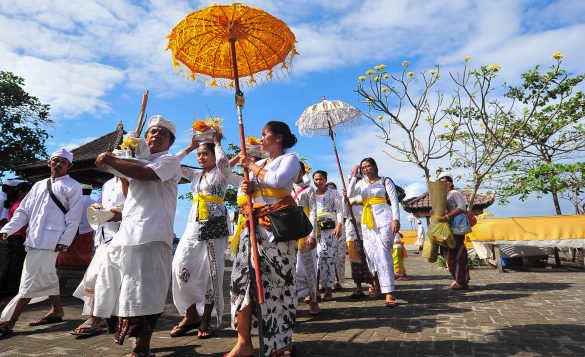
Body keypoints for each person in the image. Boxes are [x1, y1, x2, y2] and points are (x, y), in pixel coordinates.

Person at [93, 115, 181, 357]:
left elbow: (146, 174)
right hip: (127, 234)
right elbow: (130, 188)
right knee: (119, 288)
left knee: (145, 291)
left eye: (163, 133)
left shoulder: (169, 160)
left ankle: (142, 348)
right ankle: (127, 338)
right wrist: (117, 163)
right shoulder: (135, 160)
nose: (156, 135)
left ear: (170, 142)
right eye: (152, 131)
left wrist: (112, 159)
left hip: (151, 234)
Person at [227, 121, 300, 357]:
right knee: (241, 283)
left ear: (278, 138)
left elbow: (277, 181)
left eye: (264, 134)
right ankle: (243, 342)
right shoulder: (257, 164)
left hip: (276, 232)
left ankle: (280, 344)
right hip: (251, 229)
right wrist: (246, 187)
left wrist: (250, 166)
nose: (260, 138)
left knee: (277, 286)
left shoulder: (290, 160)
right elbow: (240, 195)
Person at [0, 148, 82, 336]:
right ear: (49, 162)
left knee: (27, 282)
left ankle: (8, 320)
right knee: (48, 276)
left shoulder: (72, 186)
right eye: (56, 160)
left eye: (63, 161)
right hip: (34, 238)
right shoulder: (38, 185)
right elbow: (23, 212)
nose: (58, 163)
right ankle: (57, 310)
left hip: (52, 241)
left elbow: (74, 217)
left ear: (69, 165)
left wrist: (65, 240)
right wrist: (7, 229)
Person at [171, 131, 230, 339]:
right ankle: (190, 314)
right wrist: (188, 147)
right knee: (179, 265)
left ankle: (206, 318)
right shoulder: (196, 175)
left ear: (214, 155)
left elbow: (223, 161)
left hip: (214, 225)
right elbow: (170, 165)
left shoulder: (222, 172)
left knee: (211, 271)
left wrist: (217, 142)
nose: (200, 157)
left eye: (205, 153)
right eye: (198, 154)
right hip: (193, 225)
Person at [71, 177, 126, 336]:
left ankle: (96, 318)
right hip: (103, 236)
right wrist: (97, 206)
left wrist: (118, 214)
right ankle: (101, 317)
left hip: (120, 236)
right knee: (94, 277)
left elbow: (135, 206)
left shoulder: (131, 179)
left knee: (103, 277)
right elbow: (102, 204)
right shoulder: (107, 184)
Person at [347, 158, 400, 307]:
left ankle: (389, 293)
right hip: (367, 221)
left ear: (375, 166)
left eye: (368, 166)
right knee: (371, 255)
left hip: (384, 218)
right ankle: (376, 286)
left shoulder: (385, 180)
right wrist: (354, 174)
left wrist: (396, 219)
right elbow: (350, 194)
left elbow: (394, 201)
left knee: (383, 253)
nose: (366, 169)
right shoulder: (360, 183)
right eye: (363, 167)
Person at [0, 181, 32, 310]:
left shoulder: (14, 204)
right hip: (16, 240)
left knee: (7, 267)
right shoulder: (20, 205)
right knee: (13, 268)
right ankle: (8, 296)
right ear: (22, 192)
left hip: (13, 239)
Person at [293, 162, 320, 316]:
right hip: (290, 231)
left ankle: (314, 300)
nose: (296, 174)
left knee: (309, 267)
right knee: (293, 268)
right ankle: (292, 301)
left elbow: (314, 212)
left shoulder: (309, 189)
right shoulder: (285, 187)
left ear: (303, 172)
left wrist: (312, 235)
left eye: (299, 171)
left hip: (305, 230)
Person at [437, 172, 470, 290]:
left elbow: (462, 208)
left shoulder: (454, 193)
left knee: (455, 252)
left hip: (458, 225)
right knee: (452, 252)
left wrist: (447, 216)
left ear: (449, 183)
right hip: (450, 226)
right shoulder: (444, 196)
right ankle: (461, 279)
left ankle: (461, 281)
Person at [313, 171, 343, 302]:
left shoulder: (333, 193)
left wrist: (339, 225)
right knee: (316, 258)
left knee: (328, 257)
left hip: (330, 228)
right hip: (315, 228)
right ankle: (317, 288)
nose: (318, 181)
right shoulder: (311, 193)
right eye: (316, 179)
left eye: (321, 179)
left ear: (325, 179)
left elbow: (340, 210)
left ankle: (329, 289)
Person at [343, 175, 373, 299]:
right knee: (355, 261)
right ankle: (359, 287)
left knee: (369, 258)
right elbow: (344, 212)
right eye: (352, 181)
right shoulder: (347, 196)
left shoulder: (366, 194)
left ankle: (372, 285)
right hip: (352, 231)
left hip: (366, 229)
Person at [326, 181, 347, 290]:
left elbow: (344, 214)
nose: (331, 191)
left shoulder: (341, 199)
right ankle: (331, 280)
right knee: (328, 256)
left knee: (340, 257)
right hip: (327, 230)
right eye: (329, 189)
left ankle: (339, 279)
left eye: (333, 189)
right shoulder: (323, 200)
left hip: (340, 231)